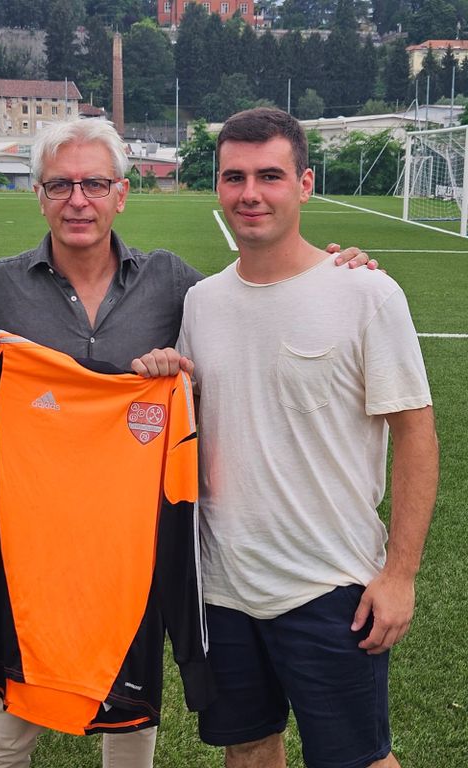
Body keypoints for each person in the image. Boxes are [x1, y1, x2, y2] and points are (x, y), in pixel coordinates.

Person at [0, 116, 374, 768]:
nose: (78, 201)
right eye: (60, 185)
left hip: (133, 541)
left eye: (95, 184)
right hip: (30, 543)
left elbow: (254, 307)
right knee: (11, 715)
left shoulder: (172, 283)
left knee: (130, 711)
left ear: (121, 194)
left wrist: (332, 273)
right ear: (39, 195)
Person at [131, 107, 439, 768]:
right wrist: (163, 379)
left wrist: (400, 574)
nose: (250, 193)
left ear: (304, 184)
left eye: (269, 176)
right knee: (248, 749)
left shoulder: (367, 294)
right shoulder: (202, 303)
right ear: (217, 185)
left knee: (359, 760)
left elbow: (416, 434)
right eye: (234, 177)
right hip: (221, 585)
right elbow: (192, 418)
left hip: (330, 584)